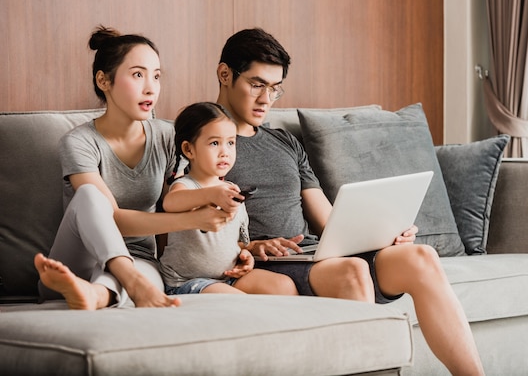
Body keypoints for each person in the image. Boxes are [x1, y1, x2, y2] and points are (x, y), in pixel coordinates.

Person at [216, 28, 485, 376]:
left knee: (420, 257)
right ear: (225, 75)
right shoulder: (204, 141)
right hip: (269, 264)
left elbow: (327, 220)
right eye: (256, 84)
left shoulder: (284, 142)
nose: (267, 98)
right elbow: (190, 227)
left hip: (314, 255)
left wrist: (384, 233)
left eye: (275, 88)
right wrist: (248, 246)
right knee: (353, 270)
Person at [34, 26, 237, 310]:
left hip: (141, 259)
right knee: (90, 197)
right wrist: (195, 220)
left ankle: (96, 295)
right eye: (138, 74)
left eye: (156, 76)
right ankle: (125, 281)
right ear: (104, 81)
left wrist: (237, 252)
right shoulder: (79, 142)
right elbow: (113, 219)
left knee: (147, 278)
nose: (151, 88)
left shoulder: (168, 136)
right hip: (76, 260)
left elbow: (183, 199)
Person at [159, 102, 297, 296]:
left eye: (231, 143)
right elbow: (171, 202)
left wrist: (245, 254)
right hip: (187, 281)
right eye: (215, 143)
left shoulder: (232, 190)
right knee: (234, 299)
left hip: (229, 276)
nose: (225, 151)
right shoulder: (186, 186)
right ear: (189, 150)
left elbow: (234, 242)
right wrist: (212, 194)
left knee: (283, 285)